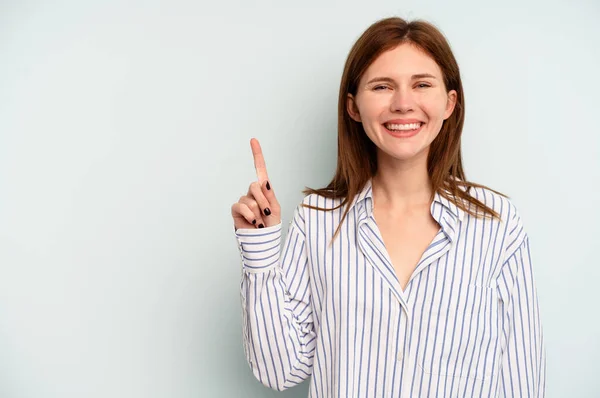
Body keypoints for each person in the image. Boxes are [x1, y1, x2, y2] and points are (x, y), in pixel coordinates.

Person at [230, 16, 545, 397]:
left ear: (449, 103)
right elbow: (278, 371)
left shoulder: (497, 224)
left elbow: (521, 380)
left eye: (422, 84)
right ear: (354, 107)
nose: (403, 104)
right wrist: (260, 254)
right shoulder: (317, 220)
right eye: (382, 86)